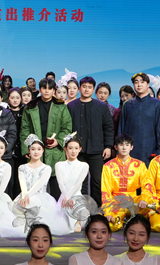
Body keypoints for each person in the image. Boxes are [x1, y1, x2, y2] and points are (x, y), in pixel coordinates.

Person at [20, 79, 72, 195]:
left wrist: (58, 141)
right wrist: (26, 149)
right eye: (44, 88)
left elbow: (67, 127)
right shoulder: (30, 106)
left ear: (54, 91)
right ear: (40, 90)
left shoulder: (61, 106)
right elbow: (25, 129)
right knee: (34, 187)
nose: (47, 91)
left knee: (55, 186)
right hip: (35, 150)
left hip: (54, 150)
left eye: (50, 88)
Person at [67, 77, 114, 205]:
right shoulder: (71, 106)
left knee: (97, 180)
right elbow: (67, 128)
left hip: (97, 150)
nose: (86, 89)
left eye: (89, 87)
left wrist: (108, 146)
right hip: (77, 151)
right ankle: (80, 207)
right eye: (84, 86)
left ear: (93, 90)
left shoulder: (101, 106)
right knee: (79, 181)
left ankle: (97, 208)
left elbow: (108, 127)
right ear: (79, 88)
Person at [17, 137, 69, 236]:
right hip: (24, 196)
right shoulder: (22, 167)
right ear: (29, 151)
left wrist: (28, 195)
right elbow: (22, 183)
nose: (36, 152)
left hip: (40, 197)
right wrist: (24, 195)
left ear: (43, 151)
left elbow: (40, 183)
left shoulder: (46, 168)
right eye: (33, 149)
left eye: (39, 149)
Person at [101, 134, 148, 231]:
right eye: (121, 144)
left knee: (152, 204)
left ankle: (135, 218)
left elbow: (147, 185)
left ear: (131, 147)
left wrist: (144, 199)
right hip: (116, 202)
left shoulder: (140, 165)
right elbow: (106, 190)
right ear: (116, 147)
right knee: (112, 226)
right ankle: (125, 219)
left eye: (127, 145)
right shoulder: (108, 166)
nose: (124, 147)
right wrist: (108, 211)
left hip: (134, 201)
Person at [118, 73, 160, 164]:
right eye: (136, 82)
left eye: (142, 82)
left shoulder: (156, 104)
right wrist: (120, 149)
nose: (139, 84)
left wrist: (159, 151)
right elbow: (122, 128)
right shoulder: (128, 104)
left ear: (148, 84)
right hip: (130, 150)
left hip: (151, 151)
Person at [55, 136, 92, 233]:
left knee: (81, 214)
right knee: (61, 224)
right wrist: (66, 197)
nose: (73, 151)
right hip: (64, 198)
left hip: (76, 197)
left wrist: (68, 197)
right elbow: (60, 184)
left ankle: (78, 221)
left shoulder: (84, 165)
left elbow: (78, 183)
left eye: (76, 148)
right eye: (70, 148)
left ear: (80, 149)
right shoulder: (59, 165)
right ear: (65, 149)